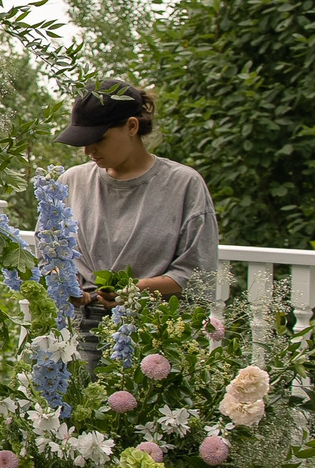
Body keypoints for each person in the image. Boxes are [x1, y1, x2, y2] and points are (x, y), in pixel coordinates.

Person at [53, 83, 218, 303]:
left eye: (98, 139)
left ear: (132, 127)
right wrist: (66, 285)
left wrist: (133, 290)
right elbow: (50, 255)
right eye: (83, 141)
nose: (88, 151)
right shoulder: (71, 182)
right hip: (81, 328)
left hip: (156, 329)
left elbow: (199, 272)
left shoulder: (184, 184)